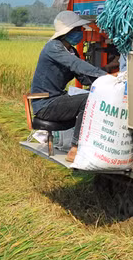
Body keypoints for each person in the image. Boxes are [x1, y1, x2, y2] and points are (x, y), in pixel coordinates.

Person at [30, 10, 108, 162]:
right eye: (77, 30)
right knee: (88, 99)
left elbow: (85, 77)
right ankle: (75, 148)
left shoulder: (70, 51)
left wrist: (108, 81)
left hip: (56, 101)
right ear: (67, 32)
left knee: (94, 94)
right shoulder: (53, 47)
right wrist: (105, 76)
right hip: (46, 104)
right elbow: (77, 65)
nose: (80, 33)